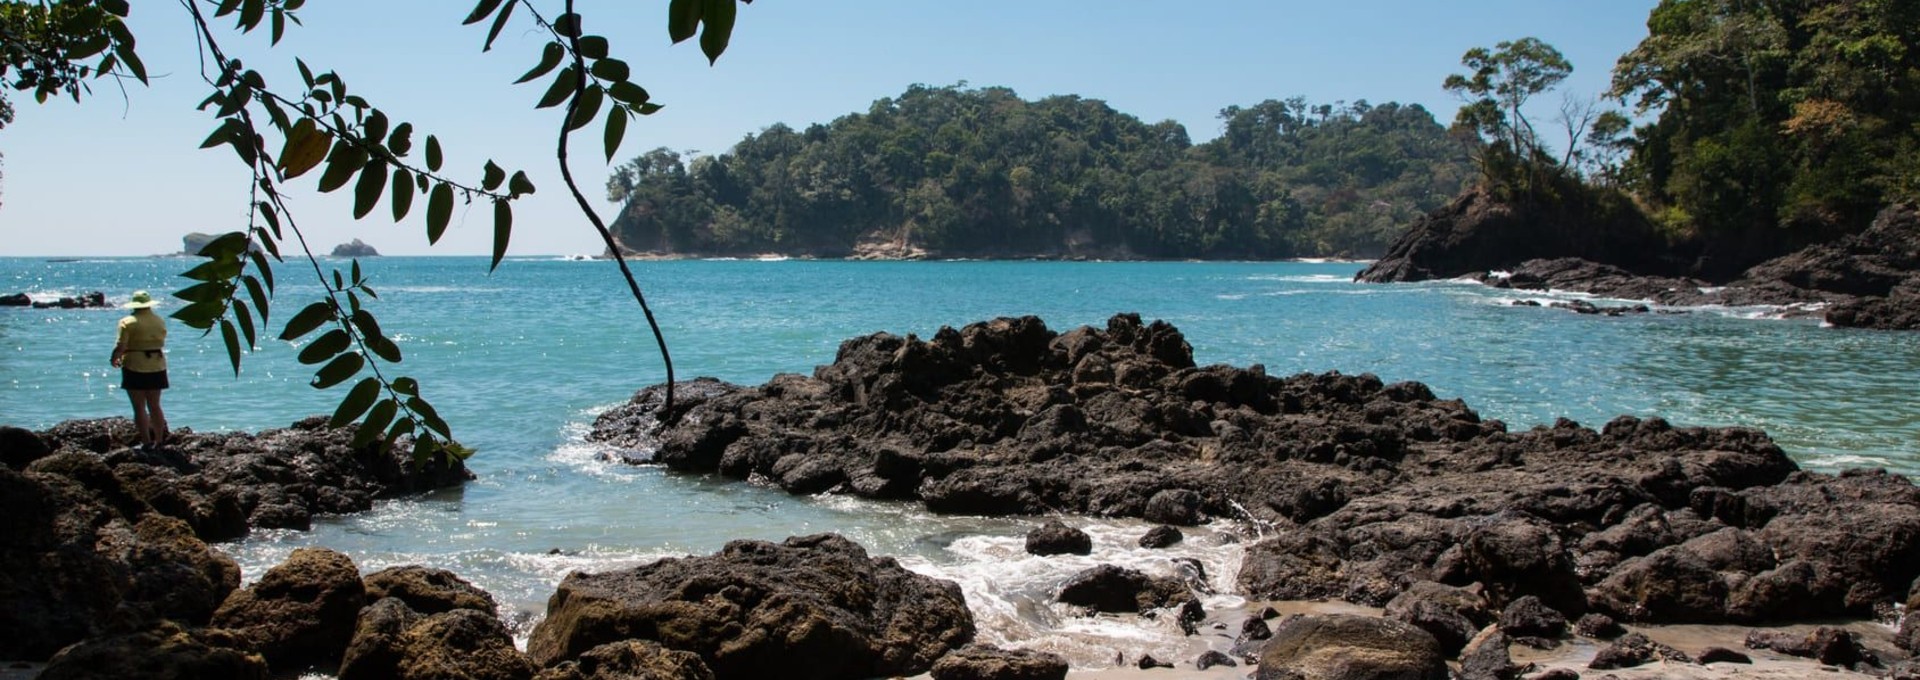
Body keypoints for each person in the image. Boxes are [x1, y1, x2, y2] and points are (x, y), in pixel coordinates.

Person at [111, 290, 170, 449]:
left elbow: (121, 345)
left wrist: (114, 357)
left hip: (134, 364)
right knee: (155, 405)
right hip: (157, 364)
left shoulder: (127, 322)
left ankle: (146, 441)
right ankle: (159, 440)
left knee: (139, 407)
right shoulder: (159, 320)